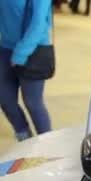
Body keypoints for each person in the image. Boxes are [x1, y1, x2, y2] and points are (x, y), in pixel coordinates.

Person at [0, 0, 53, 141]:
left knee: (32, 102)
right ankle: (25, 139)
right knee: (5, 99)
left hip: (33, 49)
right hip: (5, 48)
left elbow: (39, 24)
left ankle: (48, 144)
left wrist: (20, 53)